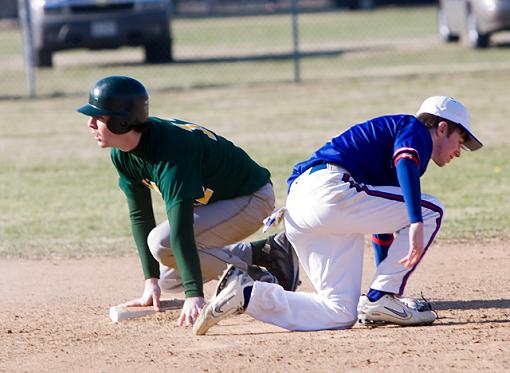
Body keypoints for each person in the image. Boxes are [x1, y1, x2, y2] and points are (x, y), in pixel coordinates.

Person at [193, 96, 483, 334]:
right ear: (442, 127)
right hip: (331, 191)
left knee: (339, 312)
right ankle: (382, 297)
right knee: (431, 211)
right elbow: (406, 160)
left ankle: (247, 294)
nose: (461, 150)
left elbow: (380, 225)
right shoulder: (414, 129)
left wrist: (382, 293)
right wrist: (416, 221)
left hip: (303, 206)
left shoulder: (396, 151)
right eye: (462, 139)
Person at [76, 76, 299, 327]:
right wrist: (150, 282)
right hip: (218, 204)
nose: (90, 123)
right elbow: (140, 215)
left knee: (162, 244)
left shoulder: (170, 153)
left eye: (99, 117)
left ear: (121, 122)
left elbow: (180, 228)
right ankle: (267, 253)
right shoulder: (123, 154)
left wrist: (195, 295)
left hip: (251, 198)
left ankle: (259, 281)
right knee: (168, 278)